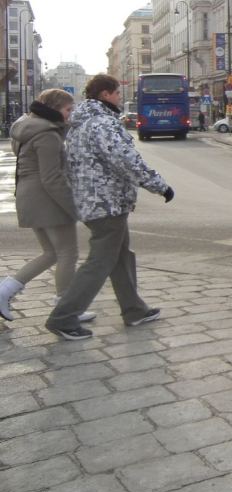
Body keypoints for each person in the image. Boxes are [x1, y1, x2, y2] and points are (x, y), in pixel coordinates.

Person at [45, 74, 173, 341]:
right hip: (106, 203)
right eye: (117, 93)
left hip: (98, 201)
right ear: (105, 94)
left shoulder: (82, 123)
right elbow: (126, 160)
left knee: (121, 255)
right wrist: (159, 185)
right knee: (100, 261)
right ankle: (63, 317)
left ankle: (134, 309)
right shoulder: (102, 123)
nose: (120, 97)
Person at [0, 89, 93, 324]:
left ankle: (4, 291)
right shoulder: (48, 134)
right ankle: (66, 307)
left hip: (29, 196)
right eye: (68, 109)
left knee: (51, 253)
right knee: (67, 253)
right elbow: (52, 178)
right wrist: (73, 208)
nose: (70, 114)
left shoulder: (27, 127)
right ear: (54, 109)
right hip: (47, 200)